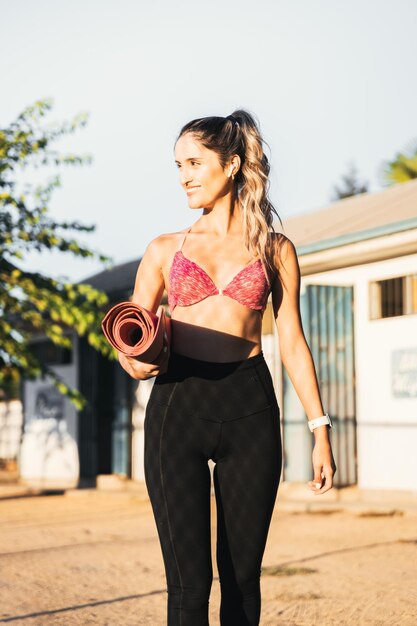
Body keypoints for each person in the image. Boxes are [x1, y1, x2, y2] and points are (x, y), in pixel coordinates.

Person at [117, 110, 337, 626]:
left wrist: (319, 428)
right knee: (189, 589)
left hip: (250, 409)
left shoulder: (275, 249)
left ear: (232, 164)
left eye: (194, 162)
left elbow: (293, 342)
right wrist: (133, 360)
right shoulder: (164, 249)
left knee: (242, 582)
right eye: (177, 166)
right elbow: (131, 336)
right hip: (177, 409)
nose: (184, 176)